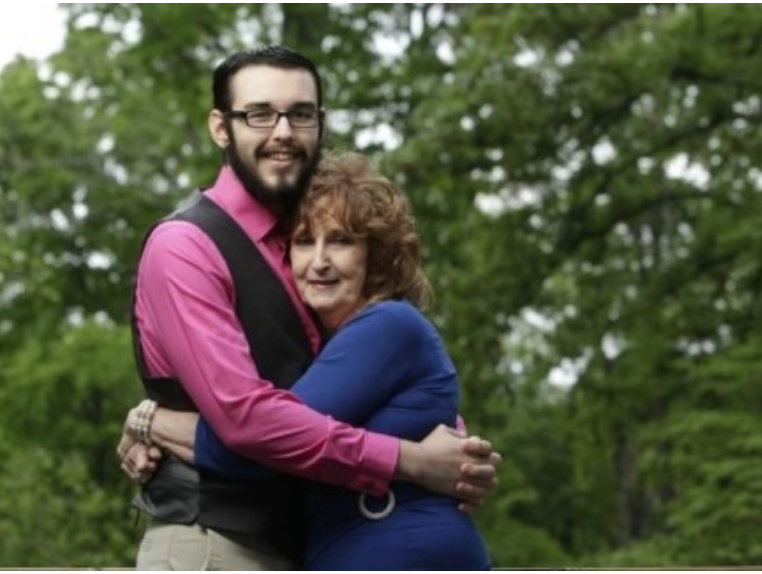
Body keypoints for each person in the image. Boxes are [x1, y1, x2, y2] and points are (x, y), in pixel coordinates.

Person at [115, 45, 499, 570]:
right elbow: (246, 425)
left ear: (321, 123)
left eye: (300, 115)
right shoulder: (186, 246)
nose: (282, 132)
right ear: (221, 128)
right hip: (216, 543)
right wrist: (410, 460)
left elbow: (349, 379)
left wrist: (444, 432)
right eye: (259, 114)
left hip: (306, 547)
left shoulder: (304, 239)